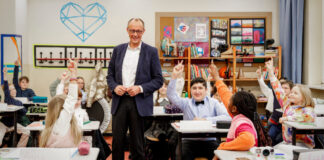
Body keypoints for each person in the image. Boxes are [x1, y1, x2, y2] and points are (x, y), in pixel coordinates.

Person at [107, 18, 163, 160]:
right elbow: (110, 76)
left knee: (138, 145)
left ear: (143, 31)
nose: (135, 34)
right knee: (117, 142)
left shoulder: (151, 52)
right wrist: (114, 87)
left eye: (138, 31)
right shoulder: (118, 50)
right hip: (119, 101)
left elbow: (158, 80)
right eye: (132, 30)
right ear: (127, 30)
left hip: (139, 102)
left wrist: (140, 88)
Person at [167, 62, 231, 160]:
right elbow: (171, 96)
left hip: (210, 140)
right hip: (188, 141)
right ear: (191, 90)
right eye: (194, 88)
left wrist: (206, 120)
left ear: (206, 90)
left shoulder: (213, 102)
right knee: (181, 155)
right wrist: (174, 76)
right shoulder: (186, 103)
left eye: (200, 88)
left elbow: (227, 117)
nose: (197, 91)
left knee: (220, 156)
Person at [209, 63, 271, 151]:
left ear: (234, 108)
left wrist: (223, 146)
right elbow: (225, 94)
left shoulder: (241, 122)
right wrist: (217, 78)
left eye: (231, 100)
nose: (228, 101)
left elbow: (248, 140)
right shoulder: (240, 115)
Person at [265, 58, 316, 148]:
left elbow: (308, 117)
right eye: (291, 92)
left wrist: (287, 118)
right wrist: (271, 72)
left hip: (303, 145)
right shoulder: (287, 105)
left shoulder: (307, 109)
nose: (291, 94)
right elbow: (278, 89)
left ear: (304, 97)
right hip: (288, 143)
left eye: (295, 93)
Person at [39, 60, 82, 148]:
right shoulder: (63, 121)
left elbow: (58, 99)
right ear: (64, 106)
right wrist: (73, 75)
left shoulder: (52, 122)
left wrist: (62, 81)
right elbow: (71, 98)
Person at [0, 68, 30, 147]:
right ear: (8, 92)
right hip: (3, 125)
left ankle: (19, 149)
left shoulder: (19, 102)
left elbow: (24, 112)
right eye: (11, 90)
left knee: (27, 131)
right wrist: (5, 75)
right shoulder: (8, 99)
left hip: (14, 125)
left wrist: (17, 107)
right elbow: (6, 88)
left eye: (14, 89)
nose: (13, 91)